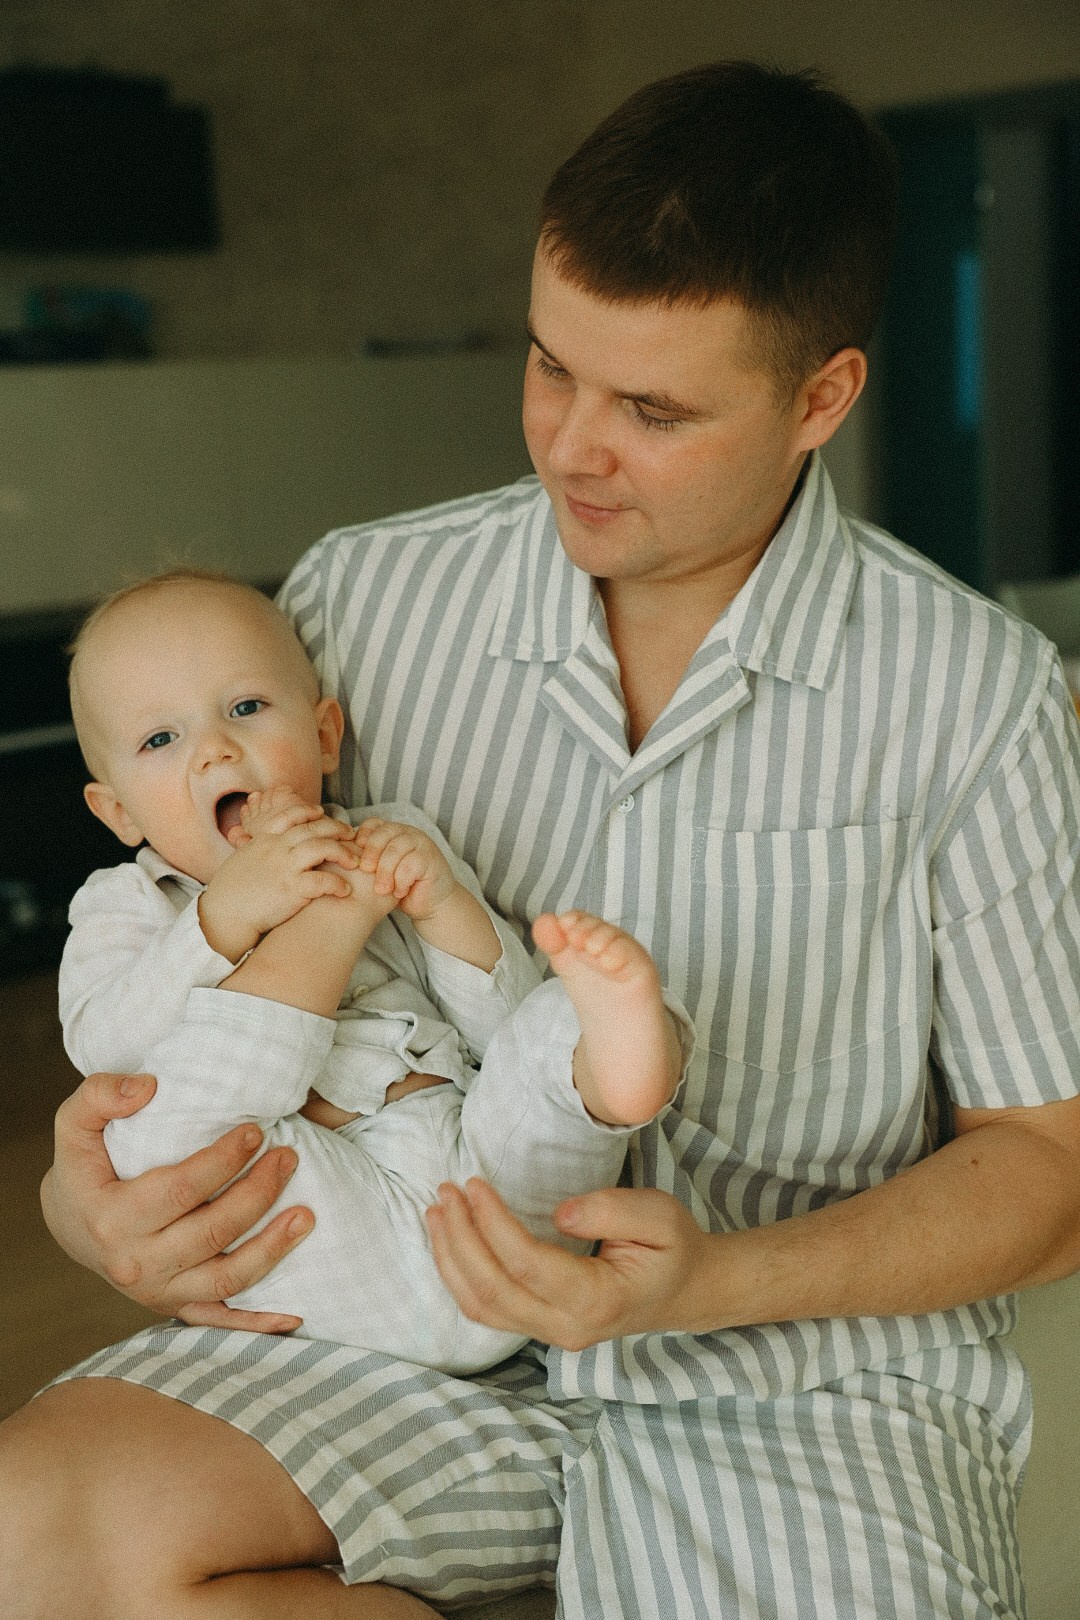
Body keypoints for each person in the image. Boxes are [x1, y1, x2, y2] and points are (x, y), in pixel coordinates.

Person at [3, 57, 1080, 1620]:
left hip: (802, 1384)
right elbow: (184, 939)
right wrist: (82, 1202)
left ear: (821, 399)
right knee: (34, 1535)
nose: (573, 445)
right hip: (394, 1327)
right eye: (551, 366)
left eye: (651, 408)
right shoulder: (355, 605)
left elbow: (1049, 1171)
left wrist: (712, 1281)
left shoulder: (981, 696)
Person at [58, 569, 687, 1366]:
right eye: (160, 739)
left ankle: (614, 1073)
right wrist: (222, 921)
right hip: (325, 1204)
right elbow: (105, 1052)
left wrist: (444, 907)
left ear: (324, 735)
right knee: (142, 1136)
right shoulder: (129, 905)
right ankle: (333, 928)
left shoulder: (387, 839)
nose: (216, 748)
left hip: (485, 1188)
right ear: (118, 812)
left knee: (548, 1027)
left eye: (246, 708)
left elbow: (496, 1025)